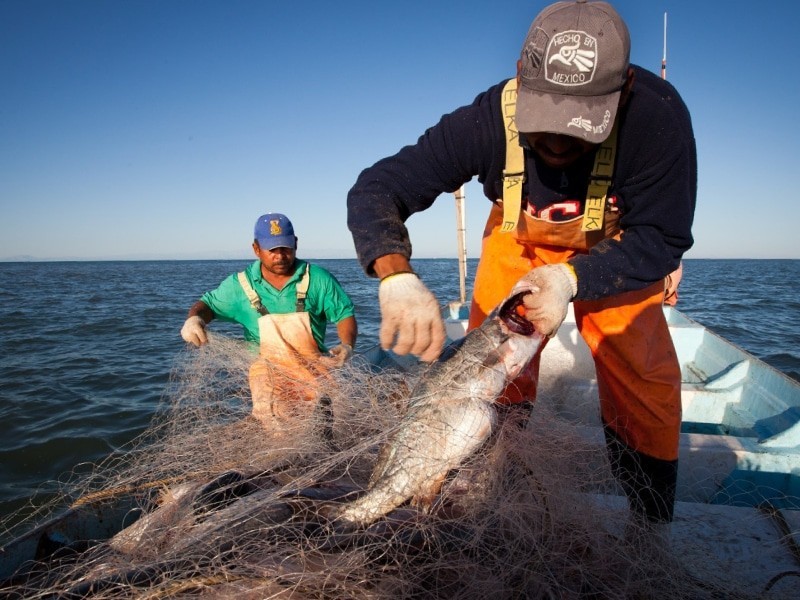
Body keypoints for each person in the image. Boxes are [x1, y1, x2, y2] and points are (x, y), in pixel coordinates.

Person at [347, 0, 696, 532]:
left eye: (579, 126)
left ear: (622, 91)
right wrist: (395, 273)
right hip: (519, 241)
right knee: (495, 367)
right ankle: (488, 482)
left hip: (613, 252)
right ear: (520, 76)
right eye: (545, 122)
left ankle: (649, 529)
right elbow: (378, 188)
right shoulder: (485, 119)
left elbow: (662, 236)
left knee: (641, 372)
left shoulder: (657, 118)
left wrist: (570, 278)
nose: (556, 142)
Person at [181, 212, 358, 432]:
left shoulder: (317, 278)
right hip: (268, 373)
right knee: (278, 425)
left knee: (332, 420)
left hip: (314, 367)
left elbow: (344, 315)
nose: (280, 256)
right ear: (256, 249)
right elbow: (207, 305)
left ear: (295, 244)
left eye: (285, 248)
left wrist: (347, 345)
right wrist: (195, 319)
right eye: (272, 249)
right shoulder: (239, 286)